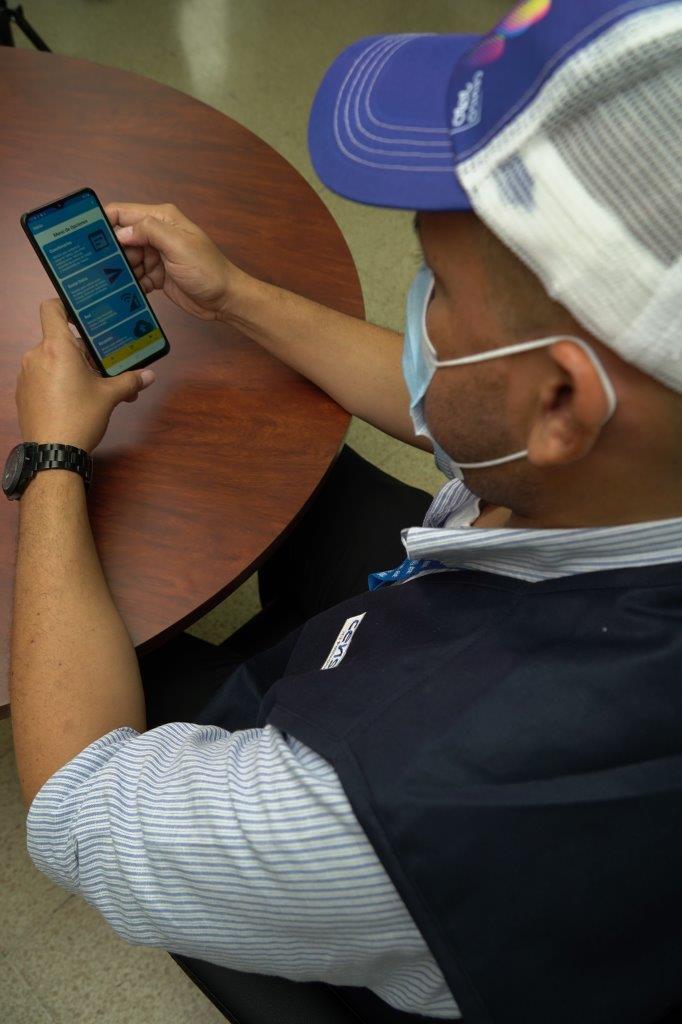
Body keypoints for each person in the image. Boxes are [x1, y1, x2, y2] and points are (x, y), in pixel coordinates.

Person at [9, 1, 682, 1022]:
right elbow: (453, 405)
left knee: (163, 658)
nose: (417, 310)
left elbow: (78, 802)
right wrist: (231, 293)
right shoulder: (636, 447)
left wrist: (52, 455)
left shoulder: (402, 792)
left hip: (428, 855)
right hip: (468, 615)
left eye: (436, 284)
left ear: (559, 403)